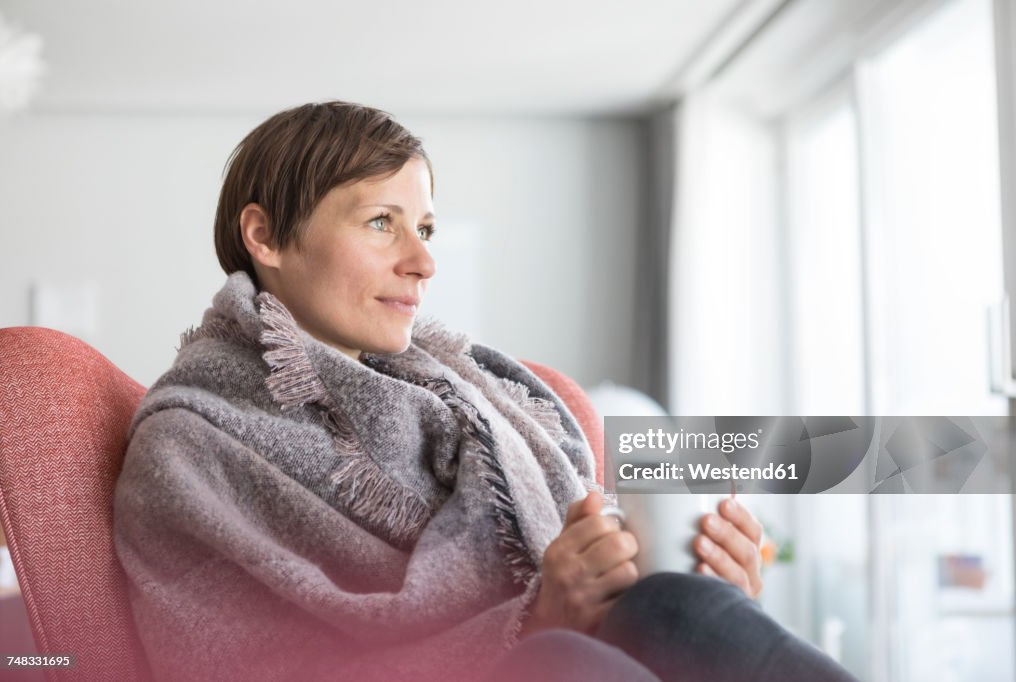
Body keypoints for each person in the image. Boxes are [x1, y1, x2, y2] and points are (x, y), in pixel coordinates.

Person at [113, 101, 857, 682]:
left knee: (677, 610)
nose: (424, 261)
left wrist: (717, 598)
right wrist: (537, 626)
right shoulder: (187, 445)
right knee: (563, 665)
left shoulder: (464, 401)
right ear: (266, 237)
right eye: (382, 222)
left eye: (426, 227)